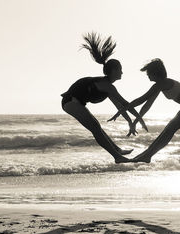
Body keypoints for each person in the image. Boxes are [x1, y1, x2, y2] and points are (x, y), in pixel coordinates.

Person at [61, 32, 147, 163]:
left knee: (96, 127)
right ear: (113, 71)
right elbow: (125, 103)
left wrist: (130, 122)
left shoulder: (108, 87)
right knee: (95, 127)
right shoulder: (107, 86)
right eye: (120, 69)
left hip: (75, 102)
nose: (122, 72)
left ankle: (118, 151)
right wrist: (140, 120)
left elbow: (121, 106)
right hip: (70, 101)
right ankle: (117, 157)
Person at [109, 58, 180, 163]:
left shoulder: (161, 84)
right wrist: (135, 121)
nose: (147, 75)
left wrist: (120, 111)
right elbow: (147, 105)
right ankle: (147, 154)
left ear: (155, 73)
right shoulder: (159, 85)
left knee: (170, 129)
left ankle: (147, 155)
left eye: (148, 73)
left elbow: (141, 100)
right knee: (169, 129)